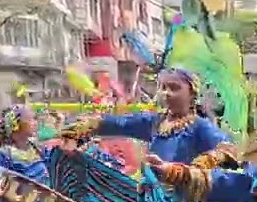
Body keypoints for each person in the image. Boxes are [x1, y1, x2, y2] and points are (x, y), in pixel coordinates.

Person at [61, 67, 236, 169]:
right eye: (163, 88)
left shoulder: (199, 126)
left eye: (174, 88)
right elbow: (119, 124)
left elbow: (228, 149)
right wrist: (79, 129)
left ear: (192, 94)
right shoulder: (154, 122)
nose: (166, 93)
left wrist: (205, 162)